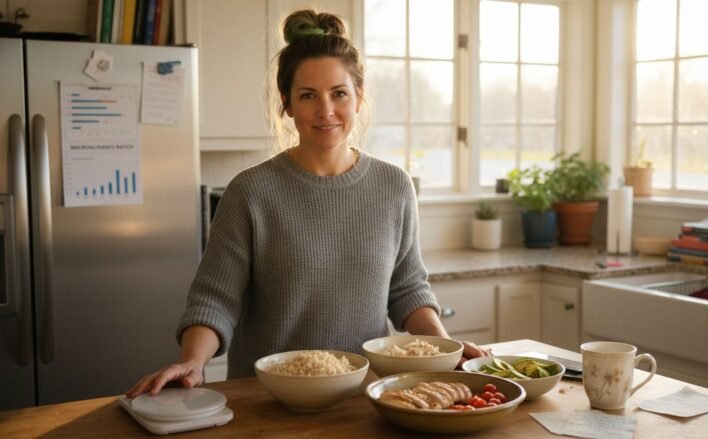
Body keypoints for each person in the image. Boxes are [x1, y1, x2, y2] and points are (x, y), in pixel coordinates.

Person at [127, 9, 488, 398]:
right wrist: (193, 362)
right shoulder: (250, 192)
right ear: (286, 104)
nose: (325, 111)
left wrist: (445, 346)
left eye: (339, 94)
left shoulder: (393, 186)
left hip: (363, 396)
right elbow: (215, 299)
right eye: (307, 96)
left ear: (358, 98)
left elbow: (407, 290)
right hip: (267, 399)